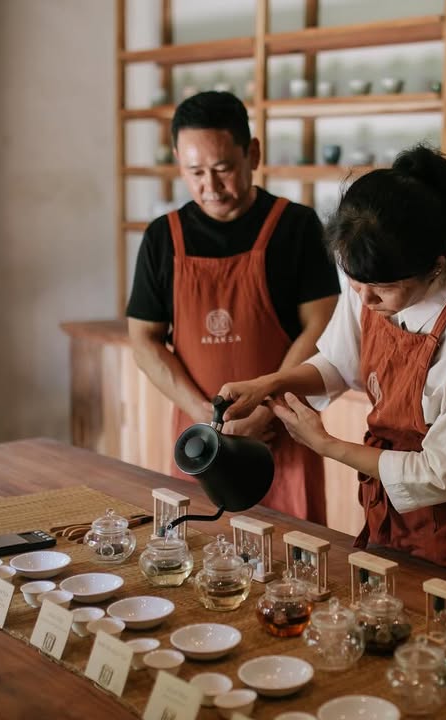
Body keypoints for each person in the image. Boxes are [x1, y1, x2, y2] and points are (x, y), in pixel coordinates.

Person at [218, 145, 446, 589]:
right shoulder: (370, 274)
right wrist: (270, 382)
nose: (365, 300)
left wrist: (326, 444)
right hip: (392, 505)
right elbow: (338, 362)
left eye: (381, 290)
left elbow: (441, 472)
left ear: (436, 266)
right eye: (355, 284)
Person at [126, 91, 339, 524]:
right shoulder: (163, 237)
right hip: (201, 441)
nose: (210, 185)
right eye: (195, 172)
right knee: (197, 547)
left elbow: (321, 325)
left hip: (282, 433)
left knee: (293, 550)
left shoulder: (296, 227)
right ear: (177, 161)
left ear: (252, 154)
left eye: (222, 168)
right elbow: (144, 340)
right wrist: (207, 417)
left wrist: (264, 410)